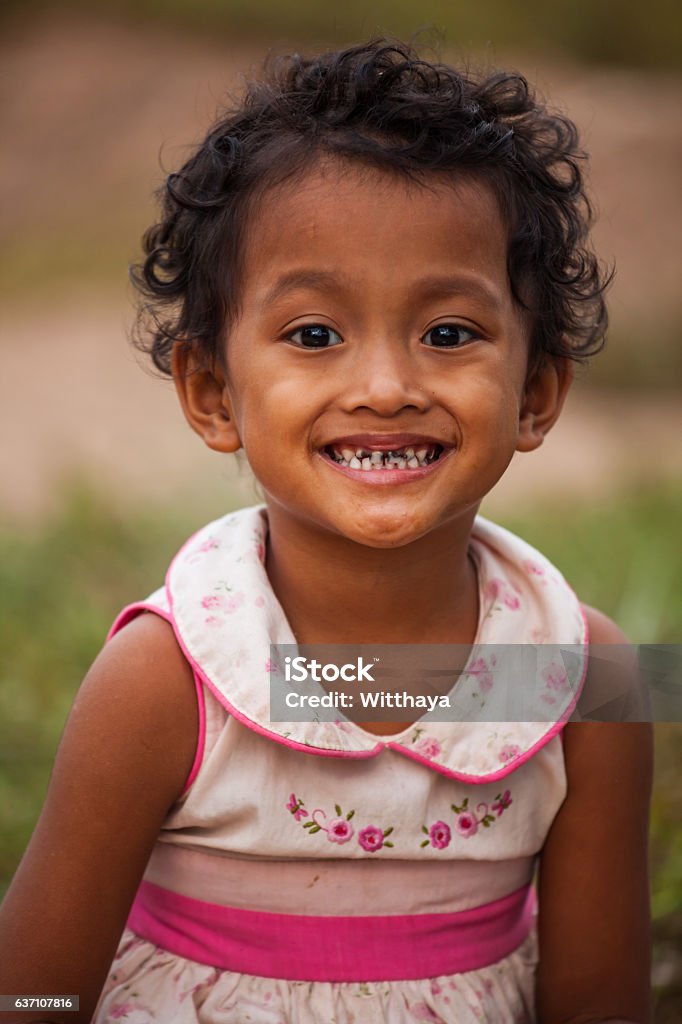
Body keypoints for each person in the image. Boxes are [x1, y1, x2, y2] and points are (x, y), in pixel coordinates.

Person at [0, 39, 652, 1024]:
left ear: (537, 390)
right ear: (214, 392)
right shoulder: (163, 678)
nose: (386, 387)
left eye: (448, 333)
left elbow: (600, 1000)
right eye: (313, 335)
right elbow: (32, 993)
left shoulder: (590, 676)